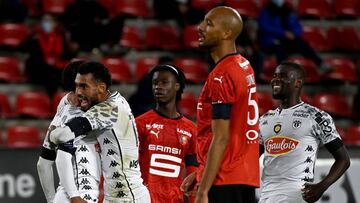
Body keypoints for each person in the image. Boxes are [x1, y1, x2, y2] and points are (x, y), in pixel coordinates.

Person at [181, 6, 260, 203]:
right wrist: (202, 172)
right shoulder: (244, 66)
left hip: (224, 179)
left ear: (226, 33)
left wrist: (203, 189)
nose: (200, 27)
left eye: (208, 23)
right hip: (244, 176)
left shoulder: (221, 76)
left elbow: (222, 137)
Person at [49, 61, 150, 202]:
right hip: (119, 195)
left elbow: (62, 136)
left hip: (129, 197)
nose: (78, 92)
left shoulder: (107, 109)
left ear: (101, 88)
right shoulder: (118, 100)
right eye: (76, 86)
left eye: (83, 87)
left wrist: (54, 130)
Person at [258, 61, 350, 203]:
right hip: (266, 195)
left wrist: (321, 186)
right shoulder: (264, 119)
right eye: (274, 76)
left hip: (296, 195)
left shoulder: (316, 117)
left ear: (297, 83)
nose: (275, 80)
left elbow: (343, 160)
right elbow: (253, 156)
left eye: (282, 76)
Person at [37, 60, 102, 203]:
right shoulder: (99, 112)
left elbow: (43, 164)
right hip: (87, 192)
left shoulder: (64, 106)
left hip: (64, 194)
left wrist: (51, 200)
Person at [136, 64, 198, 202]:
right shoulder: (140, 124)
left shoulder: (190, 129)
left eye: (164, 82)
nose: (158, 87)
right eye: (155, 83)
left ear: (177, 86)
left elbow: (193, 172)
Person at [258, 0, 330, 73]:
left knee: (302, 44)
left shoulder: (288, 11)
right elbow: (265, 27)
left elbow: (297, 26)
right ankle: (282, 71)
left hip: (289, 40)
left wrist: (294, 34)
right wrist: (283, 33)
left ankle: (321, 65)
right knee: (280, 47)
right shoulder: (266, 12)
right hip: (272, 40)